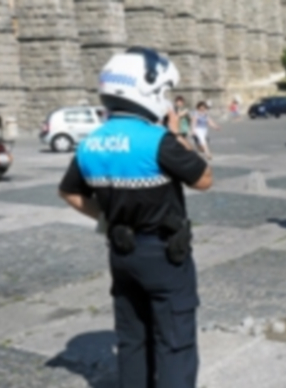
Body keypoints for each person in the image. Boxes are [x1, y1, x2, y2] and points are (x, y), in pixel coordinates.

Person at [57, 47, 212, 388]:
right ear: (147, 89)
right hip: (164, 254)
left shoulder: (90, 143)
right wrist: (177, 133)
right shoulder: (159, 141)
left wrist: (107, 219)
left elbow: (68, 192)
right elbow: (204, 179)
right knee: (174, 342)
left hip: (122, 252)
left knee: (132, 340)